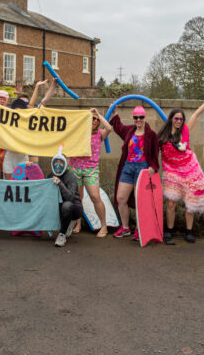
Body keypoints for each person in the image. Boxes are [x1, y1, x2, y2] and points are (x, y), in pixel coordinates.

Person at [158, 89, 204, 244]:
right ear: (171, 119)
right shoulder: (163, 136)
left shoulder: (185, 129)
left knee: (190, 202)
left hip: (190, 170)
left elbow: (196, 114)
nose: (179, 121)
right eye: (176, 118)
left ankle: (189, 232)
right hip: (172, 172)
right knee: (171, 202)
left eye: (181, 119)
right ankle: (169, 231)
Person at [110, 106, 160, 240]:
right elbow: (119, 127)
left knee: (141, 201)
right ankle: (125, 228)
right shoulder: (129, 131)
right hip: (127, 168)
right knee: (121, 198)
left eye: (141, 117)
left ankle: (140, 229)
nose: (138, 120)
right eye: (136, 117)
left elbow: (155, 155)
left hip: (142, 169)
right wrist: (114, 113)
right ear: (133, 118)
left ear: (145, 118)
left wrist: (153, 167)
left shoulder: (151, 135)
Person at [69, 109, 113, 237]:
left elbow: (109, 128)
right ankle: (78, 224)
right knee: (78, 198)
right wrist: (86, 114)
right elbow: (72, 124)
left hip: (91, 169)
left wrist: (98, 114)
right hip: (75, 167)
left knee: (95, 196)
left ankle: (103, 226)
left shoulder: (100, 134)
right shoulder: (78, 132)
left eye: (97, 120)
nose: (95, 121)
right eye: (92, 118)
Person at [49, 148, 83, 248]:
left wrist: (60, 183)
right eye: (56, 162)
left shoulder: (70, 176)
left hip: (75, 208)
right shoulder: (51, 175)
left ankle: (62, 234)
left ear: (65, 163)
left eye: (61, 162)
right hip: (58, 207)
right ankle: (67, 224)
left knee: (66, 206)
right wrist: (29, 166)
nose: (58, 165)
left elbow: (70, 197)